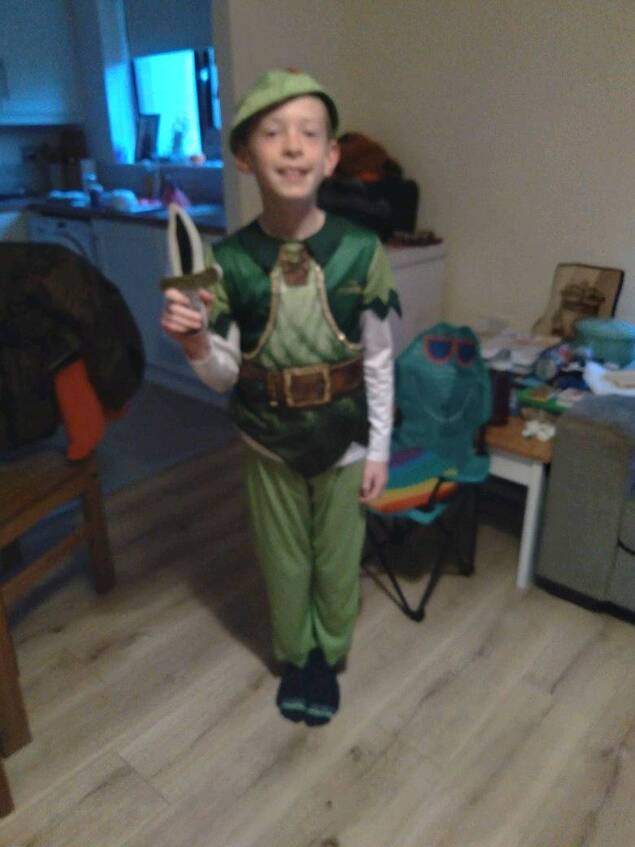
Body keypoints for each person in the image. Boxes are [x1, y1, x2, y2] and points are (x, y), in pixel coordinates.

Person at [161, 69, 400, 726]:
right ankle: (298, 656)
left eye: (308, 134)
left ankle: (331, 651)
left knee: (338, 556)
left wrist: (380, 447)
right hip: (266, 438)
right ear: (245, 155)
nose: (292, 146)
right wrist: (194, 343)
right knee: (283, 557)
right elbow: (222, 374)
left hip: (345, 436)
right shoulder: (230, 262)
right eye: (272, 133)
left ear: (330, 155)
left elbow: (379, 357)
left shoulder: (361, 251)